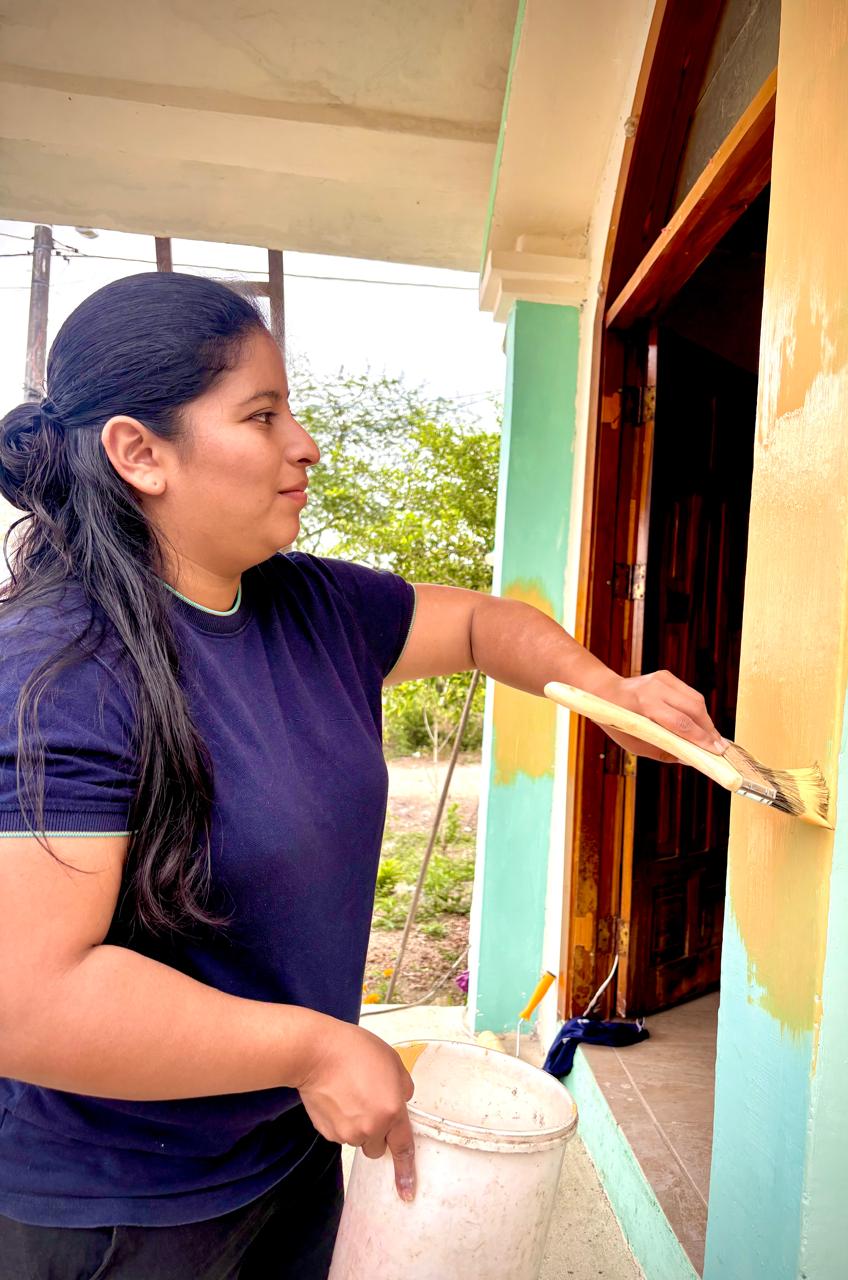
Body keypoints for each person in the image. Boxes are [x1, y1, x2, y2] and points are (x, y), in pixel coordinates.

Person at [0, 273, 724, 1279]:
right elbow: (29, 996)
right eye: (262, 415)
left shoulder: (309, 607)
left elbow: (482, 623)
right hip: (119, 1209)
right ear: (140, 453)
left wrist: (607, 691)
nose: (306, 444)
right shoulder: (59, 669)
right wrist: (314, 1047)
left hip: (288, 1151)